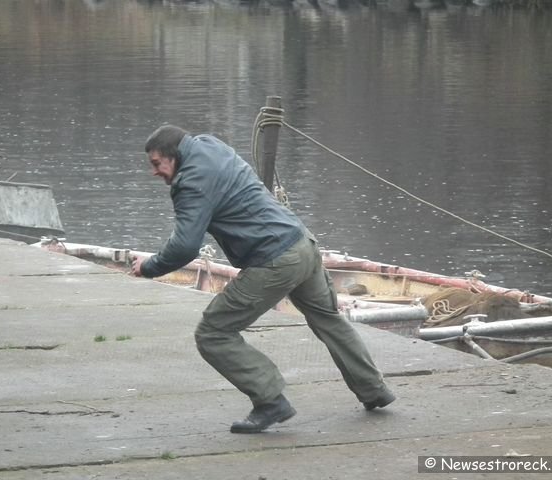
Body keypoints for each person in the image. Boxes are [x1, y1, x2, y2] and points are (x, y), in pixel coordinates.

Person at [132, 125, 395, 434]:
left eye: (157, 163)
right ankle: (374, 390)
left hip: (275, 260)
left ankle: (270, 401)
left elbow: (185, 246)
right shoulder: (208, 145)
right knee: (328, 319)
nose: (155, 172)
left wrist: (149, 266)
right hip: (302, 243)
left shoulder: (191, 182)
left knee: (213, 333)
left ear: (175, 156)